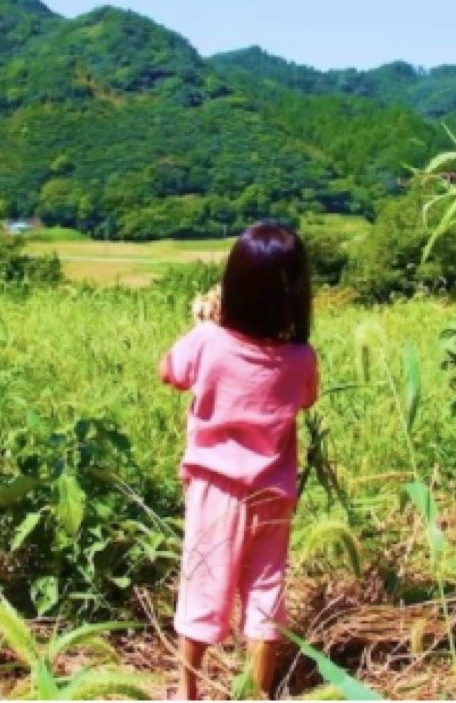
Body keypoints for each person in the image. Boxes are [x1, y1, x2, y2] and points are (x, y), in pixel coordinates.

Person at [159, 223, 319, 699]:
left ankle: (188, 690)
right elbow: (307, 399)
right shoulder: (300, 357)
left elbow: (169, 371)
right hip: (273, 492)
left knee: (203, 591)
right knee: (265, 594)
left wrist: (204, 323)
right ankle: (259, 692)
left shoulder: (208, 341)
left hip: (215, 490)